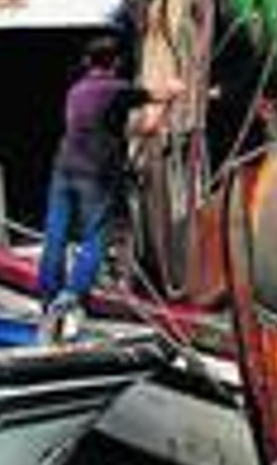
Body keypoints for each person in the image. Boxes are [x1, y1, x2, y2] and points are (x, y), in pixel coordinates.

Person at [36, 29, 183, 340]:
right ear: (116, 63)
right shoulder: (116, 89)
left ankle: (47, 296)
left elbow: (110, 125)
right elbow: (157, 95)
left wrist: (153, 123)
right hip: (95, 175)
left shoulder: (76, 91)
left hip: (63, 170)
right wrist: (174, 89)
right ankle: (70, 299)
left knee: (56, 234)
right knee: (97, 235)